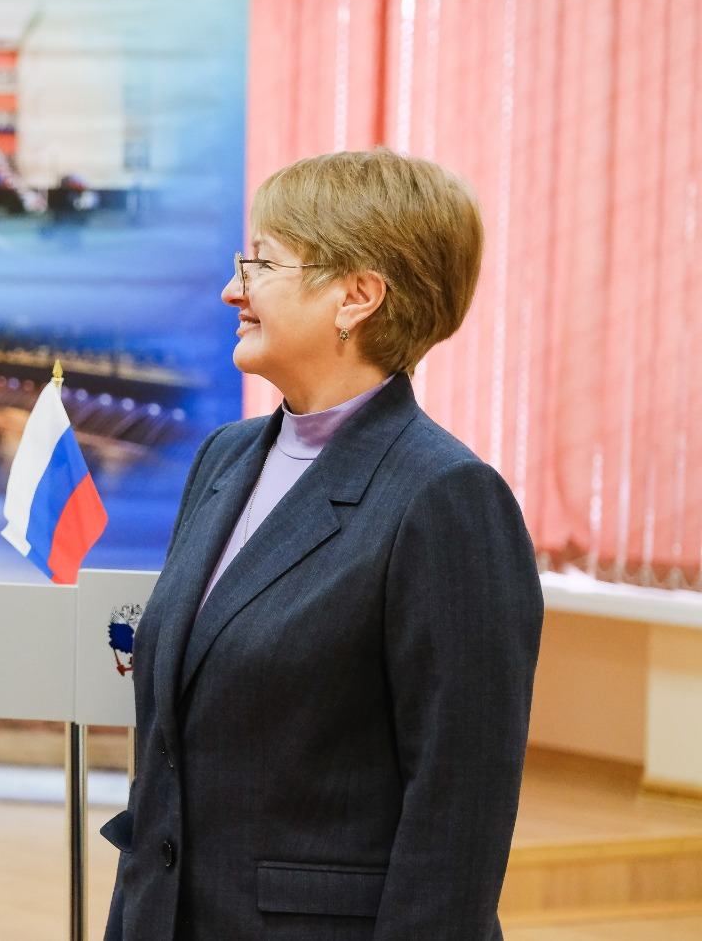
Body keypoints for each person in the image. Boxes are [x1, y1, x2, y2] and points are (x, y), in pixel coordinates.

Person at [102, 149, 543, 940]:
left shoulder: (446, 498)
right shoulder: (224, 458)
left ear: (357, 296)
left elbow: (459, 814)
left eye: (262, 263)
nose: (232, 289)